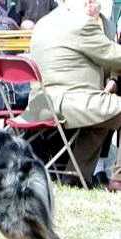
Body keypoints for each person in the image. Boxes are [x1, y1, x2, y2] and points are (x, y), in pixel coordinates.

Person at [17, 0, 121, 191]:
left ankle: (75, 178)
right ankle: (118, 180)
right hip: (68, 104)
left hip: (40, 105)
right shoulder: (81, 24)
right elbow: (114, 55)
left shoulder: (44, 22)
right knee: (113, 109)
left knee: (102, 117)